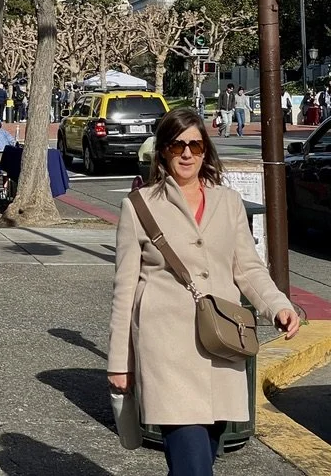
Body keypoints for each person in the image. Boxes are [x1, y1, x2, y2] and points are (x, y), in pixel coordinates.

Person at [108, 108, 299, 476]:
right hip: (166, 352)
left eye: (195, 146)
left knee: (199, 460)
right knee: (194, 466)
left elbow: (248, 269)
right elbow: (124, 290)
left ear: (205, 151)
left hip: (221, 347)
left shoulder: (228, 203)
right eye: (177, 145)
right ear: (163, 150)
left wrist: (277, 306)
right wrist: (119, 362)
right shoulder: (138, 207)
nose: (186, 154)